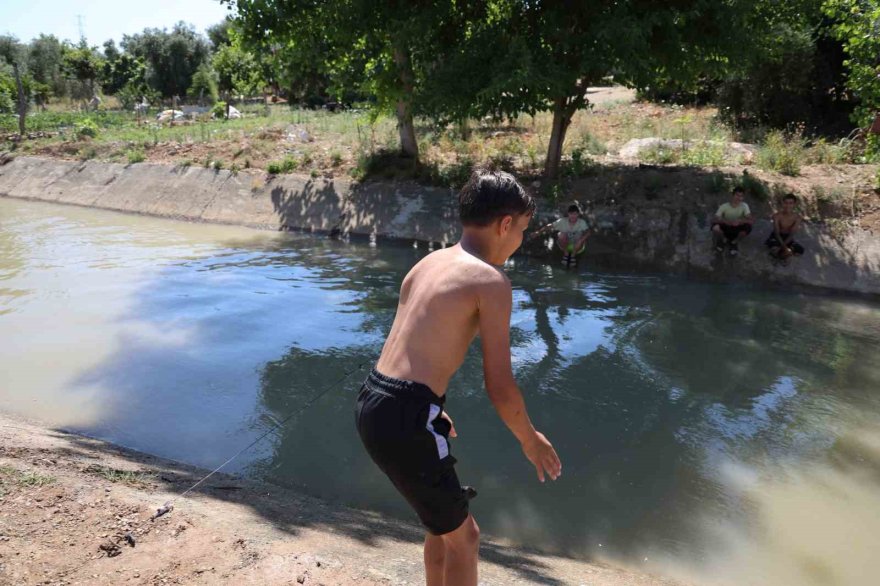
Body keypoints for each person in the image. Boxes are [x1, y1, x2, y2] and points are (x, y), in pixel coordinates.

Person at [355, 170, 562, 586]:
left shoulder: (428, 262)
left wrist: (430, 412)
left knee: (443, 527)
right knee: (466, 539)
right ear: (505, 225)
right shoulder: (490, 281)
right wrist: (529, 438)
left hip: (375, 400)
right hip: (405, 413)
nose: (519, 240)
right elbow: (500, 385)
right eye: (521, 230)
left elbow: (408, 348)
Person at [712, 186, 754, 257]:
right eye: (737, 195)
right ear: (733, 195)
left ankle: (734, 242)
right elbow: (714, 219)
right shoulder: (724, 206)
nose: (739, 198)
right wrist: (726, 221)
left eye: (741, 196)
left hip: (737, 227)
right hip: (726, 227)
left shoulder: (744, 206)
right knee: (715, 227)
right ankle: (723, 240)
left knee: (748, 227)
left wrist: (741, 221)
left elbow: (751, 220)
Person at [765, 193, 805, 265]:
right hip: (777, 237)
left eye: (790, 203)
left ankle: (782, 254)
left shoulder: (797, 218)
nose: (788, 206)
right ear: (783, 203)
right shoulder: (777, 216)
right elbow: (776, 233)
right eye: (786, 203)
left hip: (788, 238)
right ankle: (783, 254)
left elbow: (792, 234)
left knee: (800, 250)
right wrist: (784, 248)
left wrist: (782, 247)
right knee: (773, 246)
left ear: (794, 204)